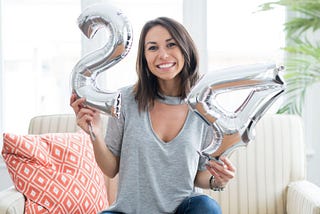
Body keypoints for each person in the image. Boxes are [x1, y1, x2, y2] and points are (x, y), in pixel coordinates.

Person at [70, 17, 236, 214]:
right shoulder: (124, 100)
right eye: (153, 48)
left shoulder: (203, 108)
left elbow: (199, 176)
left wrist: (217, 180)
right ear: (144, 57)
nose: (163, 55)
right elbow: (111, 168)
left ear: (186, 49)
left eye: (171, 44)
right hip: (129, 211)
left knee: (207, 207)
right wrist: (94, 132)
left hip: (183, 210)